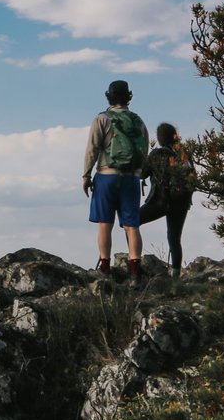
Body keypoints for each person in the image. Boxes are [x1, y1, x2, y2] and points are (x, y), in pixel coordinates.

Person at [83, 80, 149, 282]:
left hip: (106, 176)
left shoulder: (102, 119)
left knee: (105, 223)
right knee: (132, 225)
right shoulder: (138, 121)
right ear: (129, 96)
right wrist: (137, 173)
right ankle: (135, 271)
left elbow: (92, 149)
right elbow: (144, 150)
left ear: (109, 96)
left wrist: (86, 175)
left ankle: (105, 268)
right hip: (131, 178)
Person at [140, 123, 196, 283]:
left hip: (159, 202)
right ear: (175, 135)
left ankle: (134, 264)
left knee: (131, 222)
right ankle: (176, 277)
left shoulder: (156, 154)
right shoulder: (185, 155)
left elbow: (142, 174)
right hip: (181, 203)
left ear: (159, 138)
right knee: (174, 238)